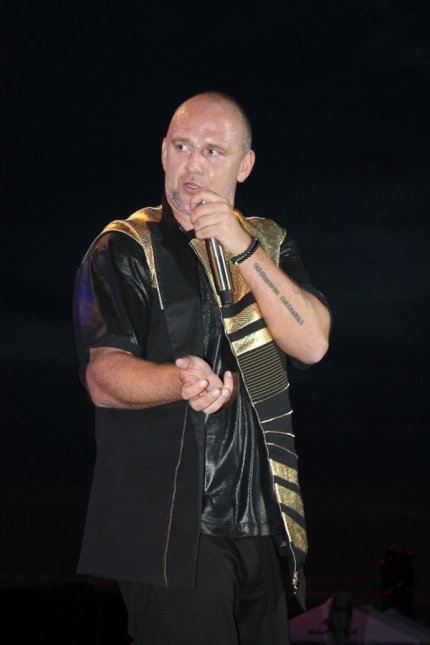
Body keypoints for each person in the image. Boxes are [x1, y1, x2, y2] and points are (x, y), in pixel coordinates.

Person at [73, 91, 331, 645]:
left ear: (245, 165)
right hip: (172, 528)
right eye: (182, 146)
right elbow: (103, 375)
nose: (193, 164)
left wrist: (242, 247)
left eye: (213, 151)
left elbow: (311, 344)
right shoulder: (125, 247)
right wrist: (177, 380)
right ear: (163, 152)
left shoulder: (268, 243)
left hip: (263, 522)